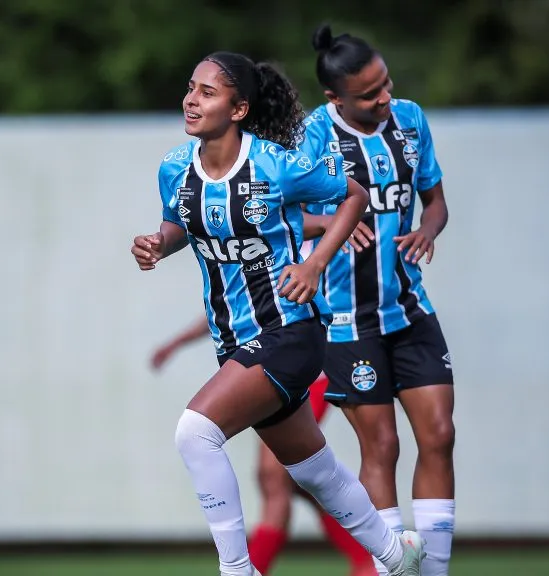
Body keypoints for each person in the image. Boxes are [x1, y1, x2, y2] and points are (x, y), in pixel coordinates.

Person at [130, 51, 424, 576]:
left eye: (207, 92)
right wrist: (158, 243)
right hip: (234, 342)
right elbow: (179, 224)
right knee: (313, 469)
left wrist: (314, 263)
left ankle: (237, 570)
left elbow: (354, 198)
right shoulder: (175, 166)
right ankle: (395, 554)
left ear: (239, 108)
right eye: (190, 88)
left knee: (195, 432)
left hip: (288, 332)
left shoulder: (275, 163)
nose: (191, 99)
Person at [299, 25, 457, 576]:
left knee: (439, 434)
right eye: (369, 94)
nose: (384, 98)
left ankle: (433, 571)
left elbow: (435, 200)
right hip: (346, 319)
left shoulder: (410, 120)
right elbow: (275, 213)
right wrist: (333, 223)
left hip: (410, 308)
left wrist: (428, 230)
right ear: (334, 98)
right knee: (382, 447)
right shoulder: (312, 136)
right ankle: (395, 570)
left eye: (385, 84)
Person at [150, 249, 376, 576]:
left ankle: (255, 568)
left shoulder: (301, 227)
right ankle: (373, 555)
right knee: (295, 476)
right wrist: (177, 342)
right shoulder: (264, 235)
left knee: (274, 475)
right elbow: (234, 308)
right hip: (275, 358)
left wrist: (342, 219)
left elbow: (342, 223)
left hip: (309, 362)